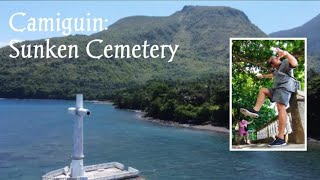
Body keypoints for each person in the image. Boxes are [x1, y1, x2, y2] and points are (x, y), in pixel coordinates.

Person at [240, 48, 298, 147]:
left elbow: (294, 63)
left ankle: (280, 138)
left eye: (275, 57)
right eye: (272, 60)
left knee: (280, 108)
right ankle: (255, 110)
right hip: (277, 89)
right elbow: (271, 75)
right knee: (263, 90)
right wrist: (262, 76)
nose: (275, 58)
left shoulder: (284, 63)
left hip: (285, 87)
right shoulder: (277, 70)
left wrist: (286, 53)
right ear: (272, 64)